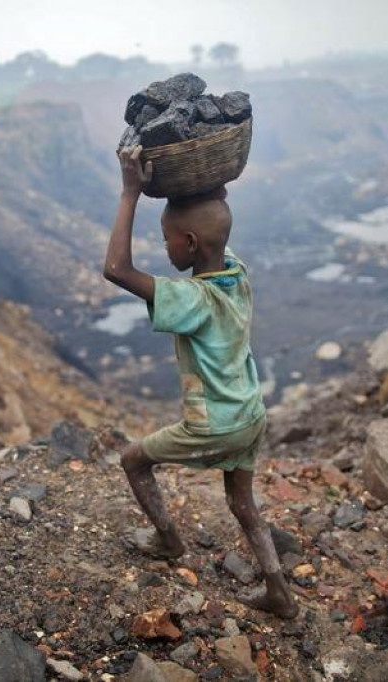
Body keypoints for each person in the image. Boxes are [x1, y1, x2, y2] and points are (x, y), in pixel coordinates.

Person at [101, 145, 299, 619]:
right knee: (242, 503)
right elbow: (216, 218)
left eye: (167, 240)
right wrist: (196, 182)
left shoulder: (194, 299)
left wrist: (130, 193)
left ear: (189, 244)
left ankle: (169, 540)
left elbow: (117, 270)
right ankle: (278, 592)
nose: (165, 248)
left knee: (133, 461)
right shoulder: (236, 273)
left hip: (215, 423)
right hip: (250, 413)